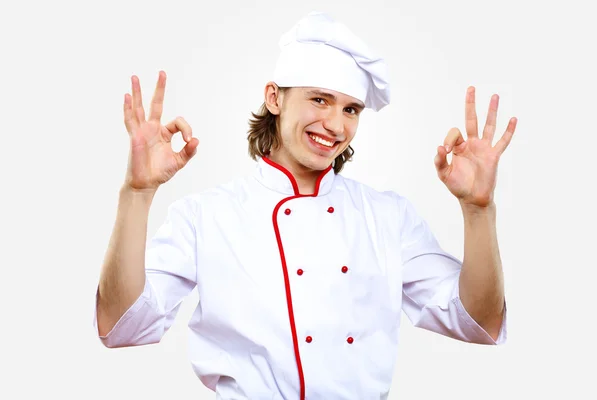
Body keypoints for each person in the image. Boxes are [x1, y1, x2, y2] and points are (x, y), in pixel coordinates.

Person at [93, 11, 516, 400]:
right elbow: (120, 325)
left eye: (350, 108)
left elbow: (479, 322)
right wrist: (137, 193)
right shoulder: (206, 216)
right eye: (319, 99)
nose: (335, 125)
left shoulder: (389, 217)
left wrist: (479, 211)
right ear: (275, 99)